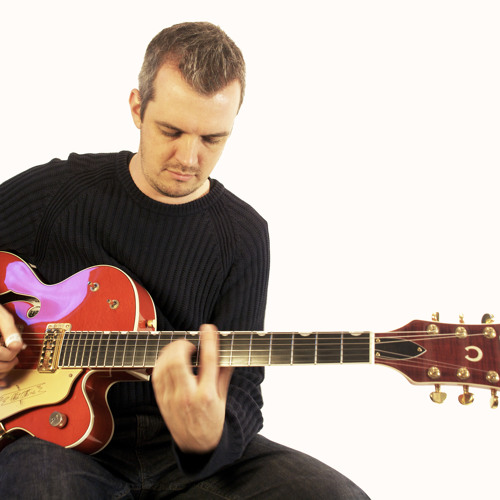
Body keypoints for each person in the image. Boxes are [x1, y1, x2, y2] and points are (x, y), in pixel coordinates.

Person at [0, 22, 370, 499]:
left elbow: (242, 389)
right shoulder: (60, 192)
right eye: (171, 131)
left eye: (212, 139)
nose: (189, 158)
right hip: (52, 440)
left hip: (181, 456)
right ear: (138, 108)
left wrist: (208, 439)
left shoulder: (243, 235)